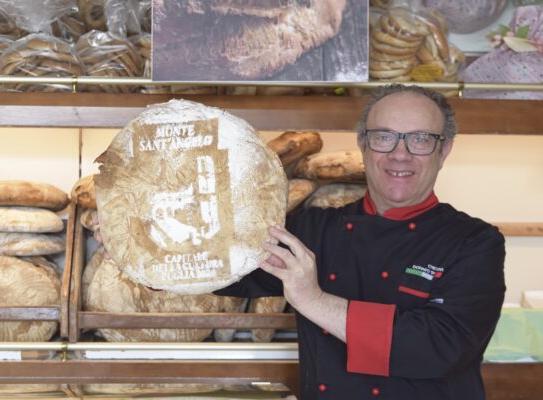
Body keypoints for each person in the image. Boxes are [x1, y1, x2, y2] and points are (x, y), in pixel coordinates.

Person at [216, 84, 506, 399]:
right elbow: (228, 266)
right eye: (384, 137)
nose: (399, 154)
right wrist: (158, 254)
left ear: (444, 150)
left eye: (420, 139)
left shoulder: (475, 243)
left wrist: (313, 300)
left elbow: (437, 347)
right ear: (363, 144)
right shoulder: (314, 229)